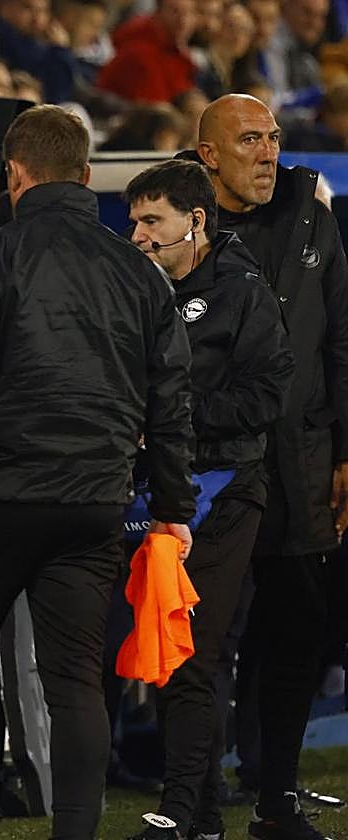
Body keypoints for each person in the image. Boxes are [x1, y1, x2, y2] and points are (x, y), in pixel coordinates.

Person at [0, 104, 196, 840]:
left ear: (15, 174)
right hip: (95, 503)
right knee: (74, 679)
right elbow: (171, 399)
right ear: (85, 174)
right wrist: (174, 505)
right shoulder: (137, 271)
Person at [189, 93, 348, 840]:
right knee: (202, 640)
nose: (269, 152)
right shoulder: (180, 220)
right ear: (209, 155)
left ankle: (276, 800)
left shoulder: (312, 213)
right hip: (214, 463)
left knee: (296, 629)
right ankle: (194, 803)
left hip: (300, 458)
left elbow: (341, 336)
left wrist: (345, 449)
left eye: (275, 137)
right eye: (250, 139)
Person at [123, 159, 294, 840]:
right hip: (153, 491)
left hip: (225, 492)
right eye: (134, 221)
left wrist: (171, 419)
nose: (138, 235)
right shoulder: (137, 289)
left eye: (151, 221)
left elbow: (266, 398)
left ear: (195, 221)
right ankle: (201, 817)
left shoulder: (244, 294)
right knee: (172, 653)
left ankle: (178, 810)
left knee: (192, 652)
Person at [96, 0, 199, 104]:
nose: (183, 21)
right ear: (157, 13)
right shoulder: (139, 47)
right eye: (175, 12)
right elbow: (154, 106)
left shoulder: (178, 52)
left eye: (189, 13)